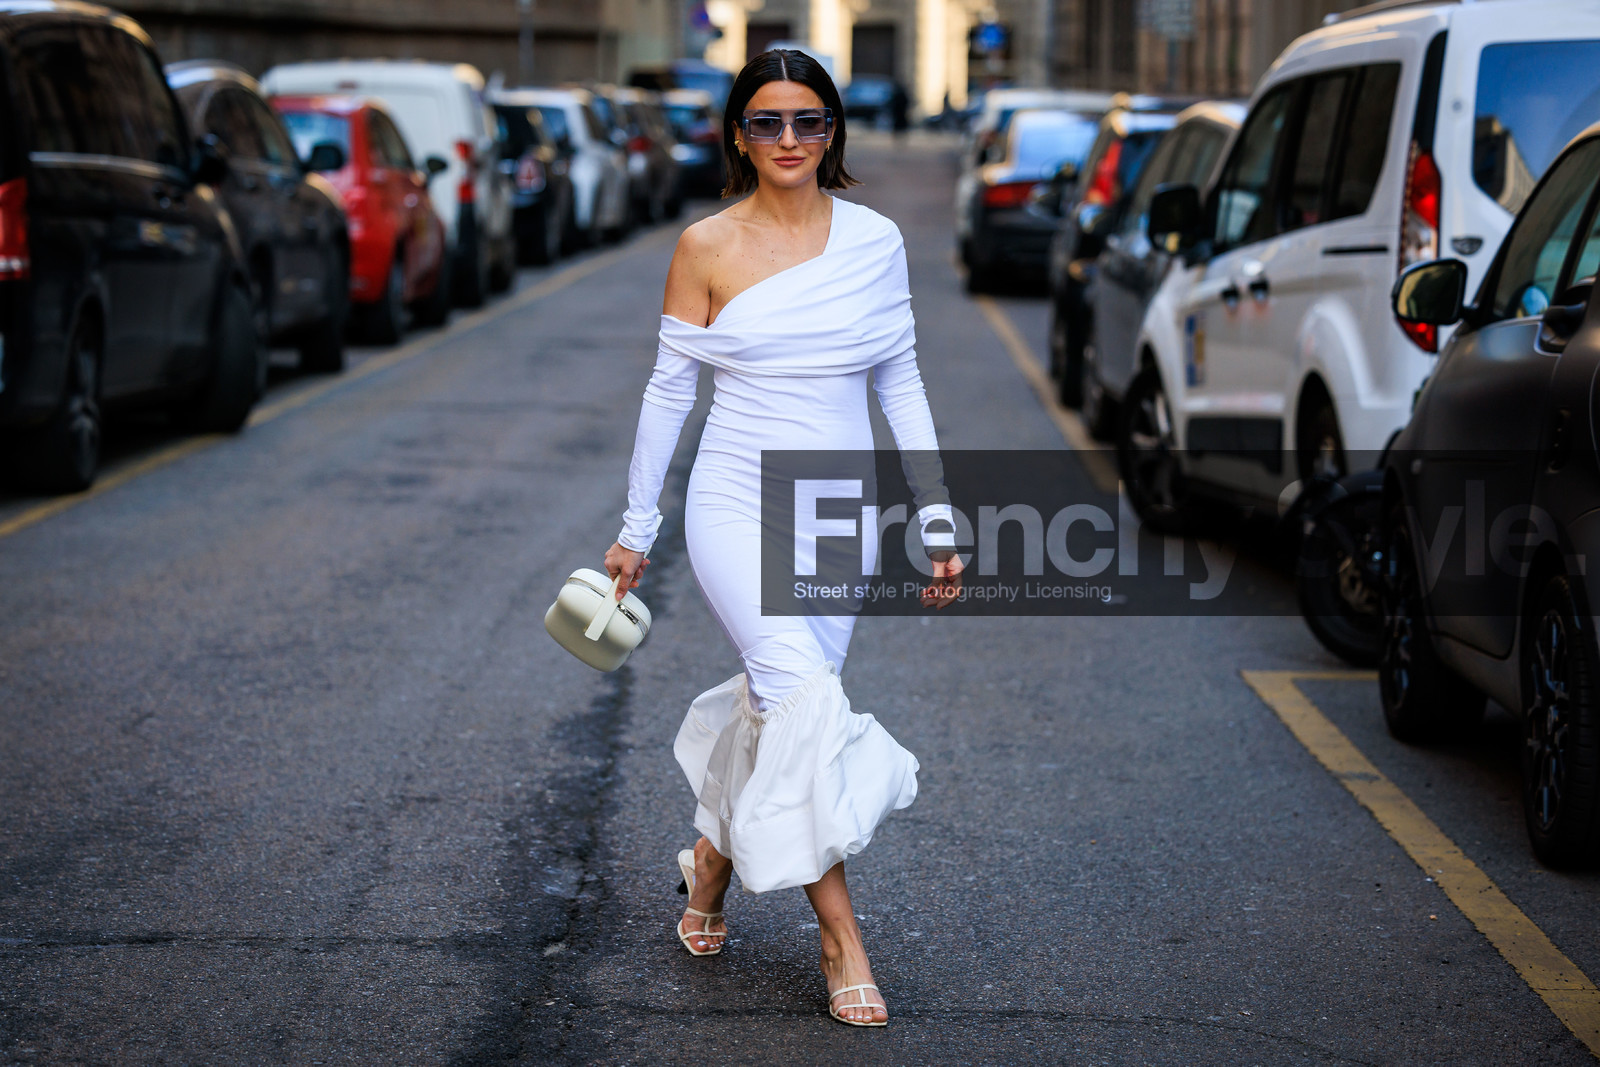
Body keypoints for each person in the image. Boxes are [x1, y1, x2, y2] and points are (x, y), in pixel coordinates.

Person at [602, 48, 962, 1028]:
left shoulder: (877, 241)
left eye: (808, 120)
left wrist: (934, 511)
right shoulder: (706, 245)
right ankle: (841, 937)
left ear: (833, 129)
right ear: (737, 134)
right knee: (799, 696)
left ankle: (709, 867)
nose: (790, 139)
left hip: (840, 509)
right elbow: (670, 390)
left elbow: (900, 380)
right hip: (733, 499)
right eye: (768, 121)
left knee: (780, 705)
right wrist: (640, 525)